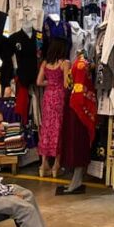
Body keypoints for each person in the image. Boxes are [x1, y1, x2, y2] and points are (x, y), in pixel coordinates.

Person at [36, 39, 71, 178]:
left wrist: (49, 82)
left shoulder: (45, 63)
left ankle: (43, 164)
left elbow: (39, 82)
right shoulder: (65, 63)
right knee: (58, 129)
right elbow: (66, 84)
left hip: (48, 96)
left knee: (46, 128)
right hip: (59, 98)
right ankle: (56, 165)